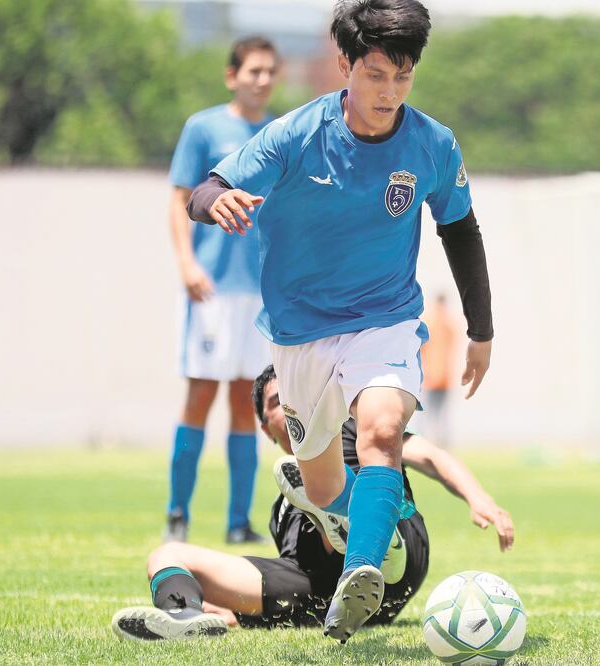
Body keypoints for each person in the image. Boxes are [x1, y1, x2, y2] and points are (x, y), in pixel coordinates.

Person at [185, 0, 494, 642]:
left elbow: (461, 229)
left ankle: (360, 578)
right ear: (346, 65)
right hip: (298, 336)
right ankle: (362, 513)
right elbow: (203, 190)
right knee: (325, 486)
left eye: (403, 77)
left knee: (381, 428)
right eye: (376, 74)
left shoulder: (432, 144)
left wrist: (480, 330)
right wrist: (219, 204)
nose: (389, 92)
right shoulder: (295, 135)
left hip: (384, 319)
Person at [110, 365, 513, 641]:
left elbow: (429, 455)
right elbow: (292, 582)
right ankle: (185, 614)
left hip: (401, 561)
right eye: (272, 402)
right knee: (167, 554)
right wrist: (233, 612)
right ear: (266, 429)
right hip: (325, 597)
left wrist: (480, 499)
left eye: (291, 394)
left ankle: (363, 531)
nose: (284, 404)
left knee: (355, 494)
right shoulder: (280, 510)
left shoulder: (355, 430)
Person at [165, 36, 280, 545]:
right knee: (200, 396)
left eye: (270, 71)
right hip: (211, 290)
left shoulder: (279, 134)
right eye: (254, 70)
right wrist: (187, 262)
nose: (263, 79)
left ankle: (238, 523)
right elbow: (179, 200)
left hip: (260, 294)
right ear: (232, 75)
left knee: (246, 403)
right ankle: (177, 514)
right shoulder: (203, 127)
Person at [420, 294, 458, 448]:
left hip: (444, 379)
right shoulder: (430, 325)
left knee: (441, 417)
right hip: (430, 379)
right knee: (427, 415)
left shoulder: (448, 326)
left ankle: (442, 447)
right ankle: (425, 446)